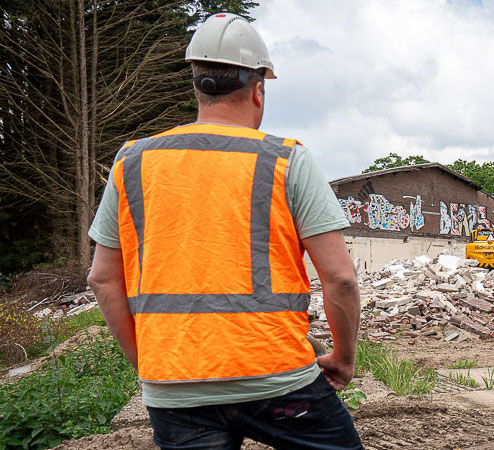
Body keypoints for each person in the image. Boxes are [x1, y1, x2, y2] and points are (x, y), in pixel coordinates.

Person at [87, 13, 363, 450]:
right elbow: (341, 278)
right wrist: (343, 360)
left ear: (196, 85)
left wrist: (152, 365)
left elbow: (103, 278)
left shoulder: (131, 161)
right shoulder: (285, 160)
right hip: (276, 378)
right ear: (259, 90)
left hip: (173, 384)